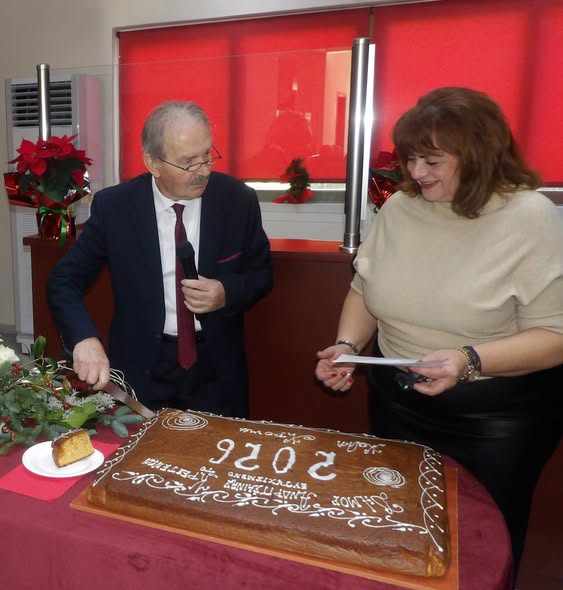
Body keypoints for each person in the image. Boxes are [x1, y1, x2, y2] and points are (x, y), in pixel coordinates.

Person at [315, 87, 563, 577]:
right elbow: (364, 290)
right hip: (397, 402)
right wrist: (347, 346)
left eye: (432, 161)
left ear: (478, 156)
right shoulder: (400, 209)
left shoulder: (529, 216)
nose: (416, 172)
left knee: (478, 549)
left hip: (494, 418)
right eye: (410, 158)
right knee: (398, 532)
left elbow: (555, 336)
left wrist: (468, 360)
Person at [47, 101, 273, 418]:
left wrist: (226, 293)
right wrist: (84, 338)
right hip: (142, 369)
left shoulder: (238, 200)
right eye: (189, 162)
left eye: (207, 155)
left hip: (217, 369)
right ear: (153, 163)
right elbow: (63, 280)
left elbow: (262, 273)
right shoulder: (115, 207)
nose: (204, 170)